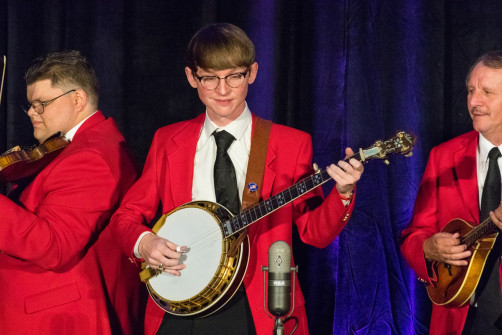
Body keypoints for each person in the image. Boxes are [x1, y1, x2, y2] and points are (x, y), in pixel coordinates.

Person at [109, 23, 364, 335]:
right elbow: (126, 216)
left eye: (234, 76)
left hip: (253, 305)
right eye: (210, 78)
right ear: (192, 77)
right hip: (179, 301)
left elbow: (314, 232)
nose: (222, 89)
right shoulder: (168, 140)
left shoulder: (289, 144)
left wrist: (344, 191)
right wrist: (144, 242)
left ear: (252, 73)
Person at [0, 50, 143, 334]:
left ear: (78, 99)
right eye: (30, 104)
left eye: (41, 103)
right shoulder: (78, 147)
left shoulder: (92, 156)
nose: (32, 112)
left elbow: (54, 245)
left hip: (56, 318)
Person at [401, 50, 502, 334]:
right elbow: (414, 235)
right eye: (471, 90)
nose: (473, 101)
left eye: (487, 92)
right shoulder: (444, 156)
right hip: (460, 318)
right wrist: (427, 247)